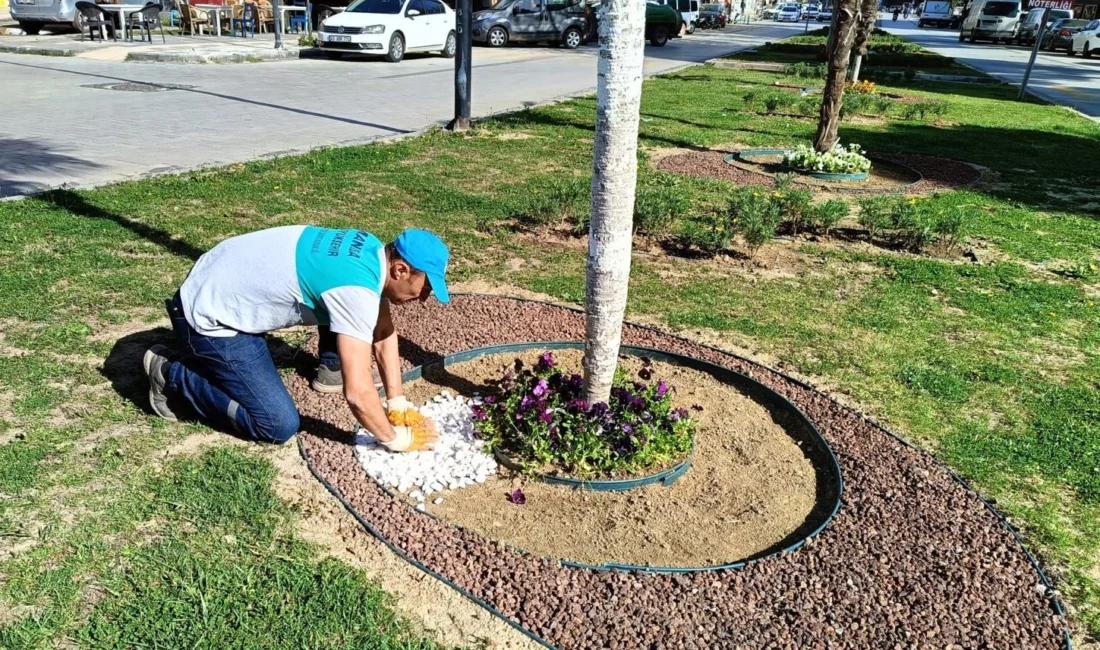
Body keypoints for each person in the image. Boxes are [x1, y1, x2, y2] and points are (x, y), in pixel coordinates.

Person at [144, 226, 450, 452]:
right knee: (277, 424)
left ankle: (328, 364)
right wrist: (395, 440)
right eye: (425, 288)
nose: (424, 298)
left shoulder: (371, 249)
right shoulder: (355, 292)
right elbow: (357, 393)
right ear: (400, 269)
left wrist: (396, 401)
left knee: (345, 307)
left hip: (217, 273)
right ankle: (170, 373)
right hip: (206, 318)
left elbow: (382, 333)